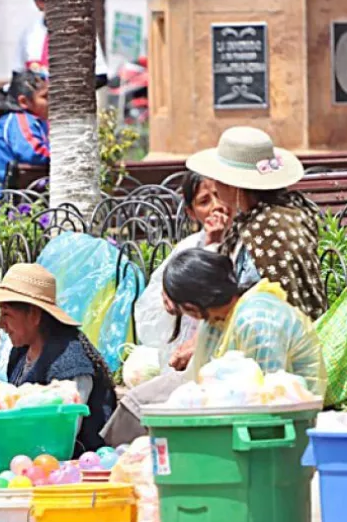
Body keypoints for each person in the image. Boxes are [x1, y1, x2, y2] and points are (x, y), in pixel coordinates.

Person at [0, 263, 117, 455]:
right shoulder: (20, 353)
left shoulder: (70, 363)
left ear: (34, 315)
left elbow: (60, 435)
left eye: (6, 314)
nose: (1, 324)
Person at [186, 126, 326, 320]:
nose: (216, 187)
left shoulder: (265, 228)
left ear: (233, 186)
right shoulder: (276, 216)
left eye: (217, 180)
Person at [162, 248, 325, 396]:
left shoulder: (257, 319)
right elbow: (202, 383)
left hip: (291, 415)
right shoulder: (214, 323)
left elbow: (266, 396)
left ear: (191, 308)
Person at [134, 172, 236, 371]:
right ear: (191, 212)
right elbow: (155, 306)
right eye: (204, 201)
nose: (216, 206)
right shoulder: (187, 247)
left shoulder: (246, 241)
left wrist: (214, 248)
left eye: (219, 194)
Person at [16, 0, 107, 91]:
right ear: (39, 3)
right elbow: (18, 74)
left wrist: (71, 89)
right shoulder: (29, 34)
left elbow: (101, 75)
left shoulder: (83, 31)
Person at [0, 71, 50, 189]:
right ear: (24, 102)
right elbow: (32, 153)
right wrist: (62, 155)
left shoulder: (32, 120)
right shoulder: (19, 119)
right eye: (45, 97)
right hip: (4, 194)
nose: (51, 102)